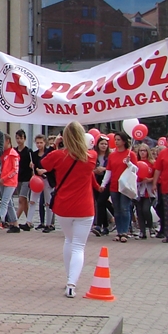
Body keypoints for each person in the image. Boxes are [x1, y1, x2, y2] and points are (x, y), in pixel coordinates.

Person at [42, 121, 100, 298]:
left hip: (64, 206)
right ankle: (71, 283)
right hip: (84, 207)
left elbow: (44, 163)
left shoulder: (58, 155)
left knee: (69, 240)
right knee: (79, 246)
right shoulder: (91, 156)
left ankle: (69, 277)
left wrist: (55, 145)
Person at [106, 132, 134, 243]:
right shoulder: (112, 155)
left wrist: (129, 164)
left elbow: (135, 170)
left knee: (124, 208)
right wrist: (103, 184)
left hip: (125, 186)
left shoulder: (130, 154)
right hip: (114, 185)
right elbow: (109, 170)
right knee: (117, 209)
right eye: (115, 139)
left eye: (118, 139)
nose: (116, 142)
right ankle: (119, 231)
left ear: (124, 141)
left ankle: (124, 232)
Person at [152, 133, 168, 243]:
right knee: (167, 211)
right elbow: (158, 169)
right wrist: (154, 183)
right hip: (165, 186)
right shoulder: (163, 153)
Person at [28, 133, 55, 232]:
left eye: (41, 142)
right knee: (32, 200)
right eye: (37, 143)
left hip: (47, 179)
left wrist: (45, 170)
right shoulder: (34, 154)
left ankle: (49, 224)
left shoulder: (49, 153)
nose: (39, 145)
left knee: (48, 202)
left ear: (44, 143)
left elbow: (53, 166)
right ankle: (28, 222)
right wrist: (33, 167)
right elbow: (34, 167)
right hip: (37, 180)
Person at [134, 144, 156, 239]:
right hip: (138, 189)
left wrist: (150, 180)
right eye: (141, 151)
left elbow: (157, 175)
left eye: (144, 150)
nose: (142, 152)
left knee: (146, 209)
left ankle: (151, 227)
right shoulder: (136, 163)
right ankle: (142, 231)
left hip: (148, 190)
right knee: (139, 210)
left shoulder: (152, 163)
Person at [0, 135, 20, 231]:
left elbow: (15, 170)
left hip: (10, 182)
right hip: (2, 180)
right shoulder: (3, 153)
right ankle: (15, 223)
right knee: (8, 202)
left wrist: (5, 178)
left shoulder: (13, 153)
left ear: (7, 141)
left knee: (4, 201)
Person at [92, 135, 113, 236]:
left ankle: (98, 225)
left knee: (101, 201)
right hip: (96, 179)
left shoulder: (110, 155)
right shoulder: (94, 154)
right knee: (100, 203)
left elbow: (112, 167)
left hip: (107, 180)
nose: (104, 146)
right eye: (102, 144)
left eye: (105, 144)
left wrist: (104, 169)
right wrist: (94, 170)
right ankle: (105, 226)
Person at [14, 130, 33, 230]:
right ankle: (29, 221)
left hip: (26, 178)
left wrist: (32, 166)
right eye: (17, 138)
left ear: (24, 139)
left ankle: (14, 220)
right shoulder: (14, 150)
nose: (19, 140)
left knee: (21, 199)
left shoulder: (28, 151)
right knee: (24, 200)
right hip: (17, 178)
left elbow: (33, 163)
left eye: (21, 138)